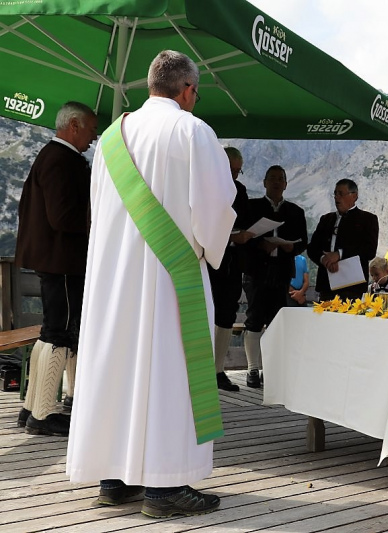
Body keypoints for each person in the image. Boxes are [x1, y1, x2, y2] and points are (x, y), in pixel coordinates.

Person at [67, 50, 237, 517]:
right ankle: (164, 489)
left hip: (114, 277)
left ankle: (115, 479)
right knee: (169, 372)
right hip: (170, 275)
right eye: (196, 93)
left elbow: (98, 209)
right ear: (187, 90)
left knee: (119, 368)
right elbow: (217, 204)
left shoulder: (109, 139)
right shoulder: (193, 131)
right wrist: (205, 248)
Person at [15, 101, 97, 436]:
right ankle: (44, 414)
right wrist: (97, 221)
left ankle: (33, 406)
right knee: (60, 332)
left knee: (51, 331)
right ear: (74, 125)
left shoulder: (53, 156)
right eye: (91, 128)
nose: (93, 136)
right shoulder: (62, 160)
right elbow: (62, 217)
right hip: (62, 259)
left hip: (54, 259)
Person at [241, 165, 307, 389]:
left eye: (281, 178)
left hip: (281, 273)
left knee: (276, 322)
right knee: (254, 319)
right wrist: (260, 244)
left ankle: (270, 370)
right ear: (264, 182)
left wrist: (291, 248)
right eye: (272, 178)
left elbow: (303, 242)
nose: (277, 182)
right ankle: (252, 369)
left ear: (286, 184)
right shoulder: (252, 206)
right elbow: (242, 236)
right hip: (256, 271)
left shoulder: (296, 211)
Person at [207, 147, 254, 393]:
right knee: (206, 311)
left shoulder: (241, 191)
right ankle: (200, 370)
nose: (235, 176)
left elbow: (243, 221)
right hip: (207, 261)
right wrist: (234, 237)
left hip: (232, 263)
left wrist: (241, 235)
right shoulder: (204, 186)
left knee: (227, 313)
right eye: (231, 170)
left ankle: (217, 370)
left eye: (238, 171)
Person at [307, 179, 379, 301]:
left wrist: (340, 254)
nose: (336, 197)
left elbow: (369, 250)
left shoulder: (367, 219)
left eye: (341, 193)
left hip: (352, 287)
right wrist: (324, 259)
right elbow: (312, 248)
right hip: (326, 285)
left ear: (354, 196)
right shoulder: (326, 219)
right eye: (335, 193)